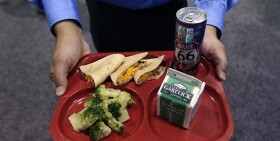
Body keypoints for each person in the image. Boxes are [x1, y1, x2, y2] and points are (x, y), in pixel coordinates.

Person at [29, 0, 238, 96]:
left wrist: (208, 27)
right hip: (103, 10)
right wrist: (67, 27)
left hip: (167, 12)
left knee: (167, 79)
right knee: (114, 81)